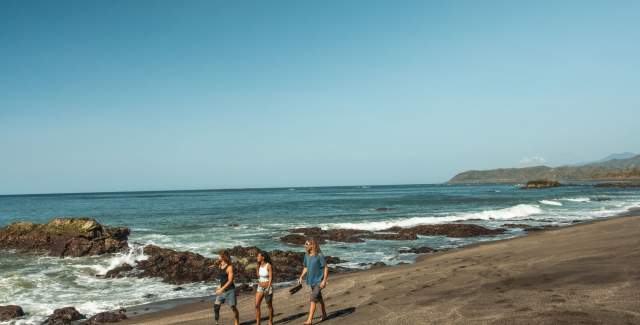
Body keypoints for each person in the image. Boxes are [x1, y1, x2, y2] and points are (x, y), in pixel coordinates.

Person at [297, 238, 329, 325]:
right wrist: (301, 277)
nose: (305, 245)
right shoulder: (306, 255)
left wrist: (324, 280)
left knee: (313, 298)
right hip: (311, 281)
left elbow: (325, 268)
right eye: (305, 244)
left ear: (312, 245)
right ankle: (325, 315)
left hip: (319, 281)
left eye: (307, 244)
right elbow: (306, 267)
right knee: (319, 298)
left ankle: (309, 320)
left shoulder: (319, 255)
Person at [212, 250, 239, 325]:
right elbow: (222, 278)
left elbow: (230, 281)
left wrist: (221, 289)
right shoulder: (220, 265)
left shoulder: (229, 267)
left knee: (233, 307)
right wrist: (219, 286)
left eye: (219, 255)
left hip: (230, 290)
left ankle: (236, 321)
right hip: (222, 290)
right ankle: (216, 323)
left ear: (223, 257)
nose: (218, 257)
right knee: (216, 306)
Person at [255, 250, 274, 325]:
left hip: (267, 288)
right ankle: (258, 323)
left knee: (269, 306)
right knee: (257, 305)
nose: (257, 257)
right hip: (260, 287)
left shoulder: (268, 265)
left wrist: (269, 287)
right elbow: (258, 276)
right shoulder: (258, 265)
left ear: (263, 257)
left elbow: (270, 277)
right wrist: (259, 280)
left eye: (258, 256)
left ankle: (270, 321)